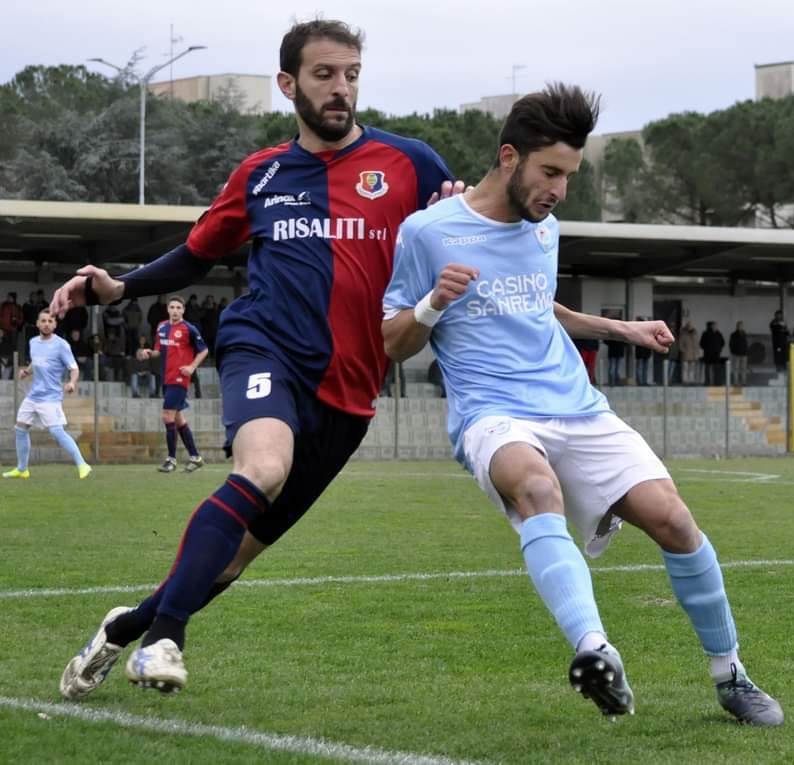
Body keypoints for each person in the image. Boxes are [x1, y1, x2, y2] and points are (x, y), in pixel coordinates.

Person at [53, 19, 460, 700]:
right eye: (325, 74)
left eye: (351, 74)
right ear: (288, 83)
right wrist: (121, 286)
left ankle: (126, 626)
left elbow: (472, 229)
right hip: (263, 346)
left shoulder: (411, 163)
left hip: (351, 396)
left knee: (231, 562)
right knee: (263, 467)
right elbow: (197, 253)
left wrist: (461, 212)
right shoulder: (261, 173)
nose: (341, 89)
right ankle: (166, 641)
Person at [381, 83, 783, 726]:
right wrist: (433, 303)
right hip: (493, 411)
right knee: (537, 488)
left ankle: (730, 673)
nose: (559, 190)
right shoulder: (428, 232)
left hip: (576, 405)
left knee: (675, 520)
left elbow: (535, 307)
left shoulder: (545, 230)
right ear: (509, 157)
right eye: (550, 173)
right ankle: (596, 651)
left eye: (568, 175)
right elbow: (394, 342)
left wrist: (620, 329)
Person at [2, 310, 92, 480]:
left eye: (50, 321)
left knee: (57, 432)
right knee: (20, 428)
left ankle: (82, 464)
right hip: (33, 396)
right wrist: (27, 371)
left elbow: (74, 368)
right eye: (43, 321)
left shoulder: (62, 345)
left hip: (50, 398)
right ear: (37, 324)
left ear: (55, 324)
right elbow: (36, 362)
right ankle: (22, 469)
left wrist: (72, 382)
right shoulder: (33, 342)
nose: (46, 324)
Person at [140, 296, 208, 471]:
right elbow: (158, 351)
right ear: (168, 309)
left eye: (179, 307)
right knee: (178, 420)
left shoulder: (189, 329)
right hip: (166, 378)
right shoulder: (162, 326)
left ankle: (171, 460)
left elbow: (204, 350)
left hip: (179, 378)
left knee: (167, 416)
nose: (175, 310)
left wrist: (192, 367)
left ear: (183, 310)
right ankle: (196, 457)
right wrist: (149, 352)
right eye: (172, 307)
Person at [699, 320, 725, 385]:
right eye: (714, 325)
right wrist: (707, 349)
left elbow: (722, 342)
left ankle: (717, 382)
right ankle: (707, 382)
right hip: (707, 354)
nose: (715, 327)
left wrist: (719, 349)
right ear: (711, 326)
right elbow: (701, 343)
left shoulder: (718, 334)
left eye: (716, 326)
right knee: (707, 369)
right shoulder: (705, 333)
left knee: (716, 369)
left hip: (716, 354)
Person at [729, 320, 749, 385]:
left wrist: (746, 351)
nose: (740, 327)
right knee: (736, 368)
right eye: (739, 325)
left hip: (744, 354)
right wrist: (733, 351)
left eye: (741, 325)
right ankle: (736, 382)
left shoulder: (745, 334)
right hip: (736, 354)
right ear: (737, 326)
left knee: (743, 368)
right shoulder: (733, 334)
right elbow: (731, 344)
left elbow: (746, 344)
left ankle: (744, 381)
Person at [634, 317, 652, 385]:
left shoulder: (647, 332)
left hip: (645, 353)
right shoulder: (637, 332)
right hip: (641, 353)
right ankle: (640, 381)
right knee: (640, 368)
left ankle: (643, 381)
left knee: (644, 368)